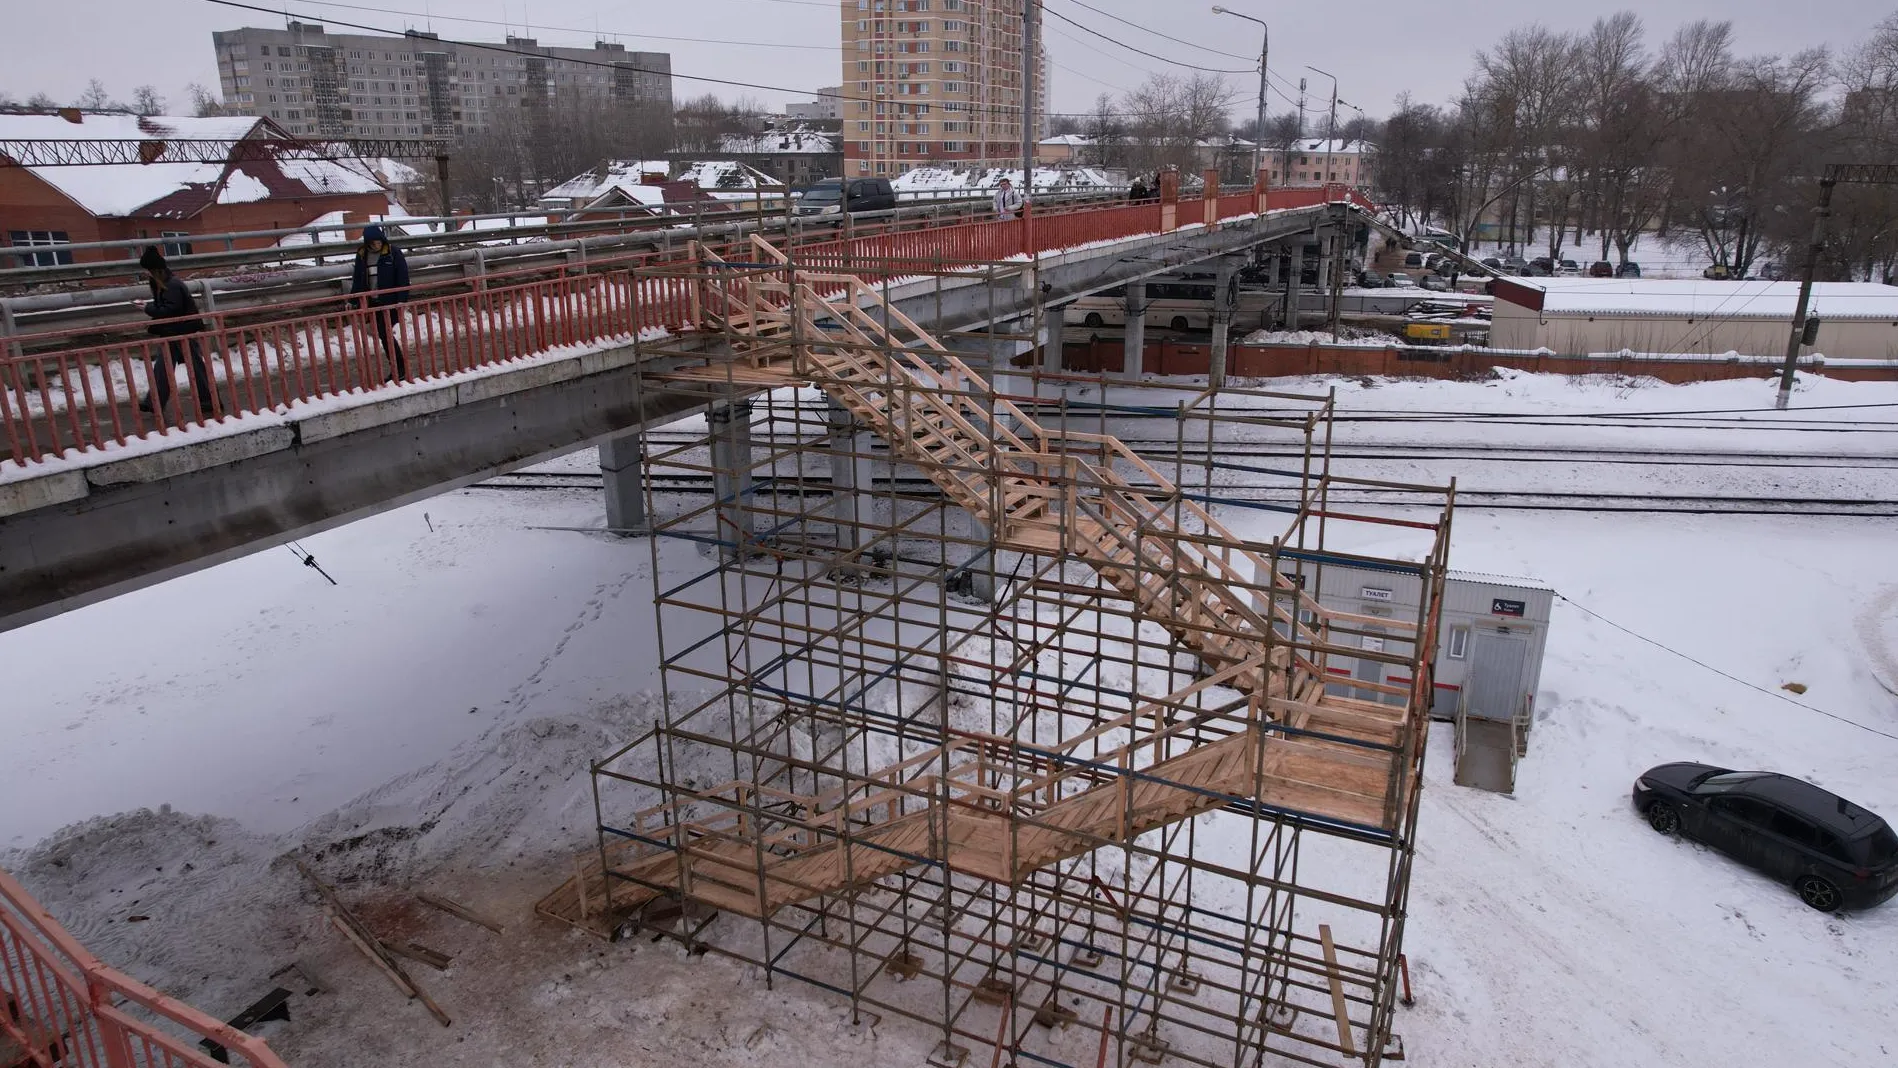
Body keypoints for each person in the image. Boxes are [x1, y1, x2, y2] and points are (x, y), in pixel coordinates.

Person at [137, 246, 215, 418]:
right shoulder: (164, 283)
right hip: (173, 331)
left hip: (182, 331)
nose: (146, 273)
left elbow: (171, 309)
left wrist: (147, 308)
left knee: (195, 367)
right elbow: (167, 306)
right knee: (164, 367)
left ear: (155, 270)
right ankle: (154, 402)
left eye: (148, 270)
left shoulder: (171, 285)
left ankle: (209, 400)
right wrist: (149, 306)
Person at [350, 224, 411, 382]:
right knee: (384, 335)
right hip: (373, 302)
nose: (377, 245)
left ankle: (399, 369)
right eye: (373, 242)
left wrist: (401, 300)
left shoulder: (392, 252)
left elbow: (403, 277)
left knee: (385, 334)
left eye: (378, 241)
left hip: (390, 302)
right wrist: (353, 300)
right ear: (368, 243)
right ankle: (398, 369)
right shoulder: (362, 255)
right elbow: (358, 279)